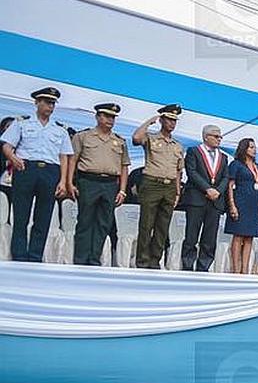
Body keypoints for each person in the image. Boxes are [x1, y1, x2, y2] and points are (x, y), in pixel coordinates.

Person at [0, 88, 73, 262]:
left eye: (53, 103)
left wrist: (63, 181)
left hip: (50, 170)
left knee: (44, 216)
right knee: (21, 215)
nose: (50, 106)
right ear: (37, 102)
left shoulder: (60, 129)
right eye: (47, 102)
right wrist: (13, 158)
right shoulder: (22, 122)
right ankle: (19, 254)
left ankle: (35, 255)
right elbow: (6, 145)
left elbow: (64, 156)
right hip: (26, 169)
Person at [67, 102, 130, 266]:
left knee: (104, 223)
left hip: (110, 183)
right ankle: (81, 259)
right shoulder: (83, 136)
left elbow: (124, 166)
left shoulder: (120, 141)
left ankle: (94, 259)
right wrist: (69, 182)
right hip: (88, 181)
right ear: (98, 116)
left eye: (113, 117)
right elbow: (72, 160)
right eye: (107, 116)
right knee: (85, 221)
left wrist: (122, 190)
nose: (110, 120)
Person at [133, 104, 185, 269]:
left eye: (174, 120)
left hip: (169, 186)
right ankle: (142, 261)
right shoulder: (151, 138)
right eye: (169, 119)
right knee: (146, 224)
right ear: (162, 119)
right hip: (152, 183)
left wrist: (177, 192)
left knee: (163, 227)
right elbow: (135, 138)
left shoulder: (178, 145)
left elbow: (179, 171)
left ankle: (155, 261)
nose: (172, 123)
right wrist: (150, 121)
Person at [180, 124, 228, 272]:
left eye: (220, 136)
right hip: (197, 198)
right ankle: (188, 265)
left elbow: (226, 177)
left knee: (210, 236)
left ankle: (204, 266)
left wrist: (217, 191)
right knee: (191, 235)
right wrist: (207, 188)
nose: (219, 139)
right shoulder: (194, 151)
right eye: (216, 136)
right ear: (206, 137)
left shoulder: (223, 157)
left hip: (215, 201)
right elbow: (192, 172)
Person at [224, 137, 258, 274]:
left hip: (254, 205)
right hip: (240, 202)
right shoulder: (236, 164)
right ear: (244, 148)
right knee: (238, 236)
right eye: (251, 147)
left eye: (255, 147)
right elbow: (230, 186)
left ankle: (245, 270)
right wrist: (232, 205)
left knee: (249, 237)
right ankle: (236, 269)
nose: (254, 150)